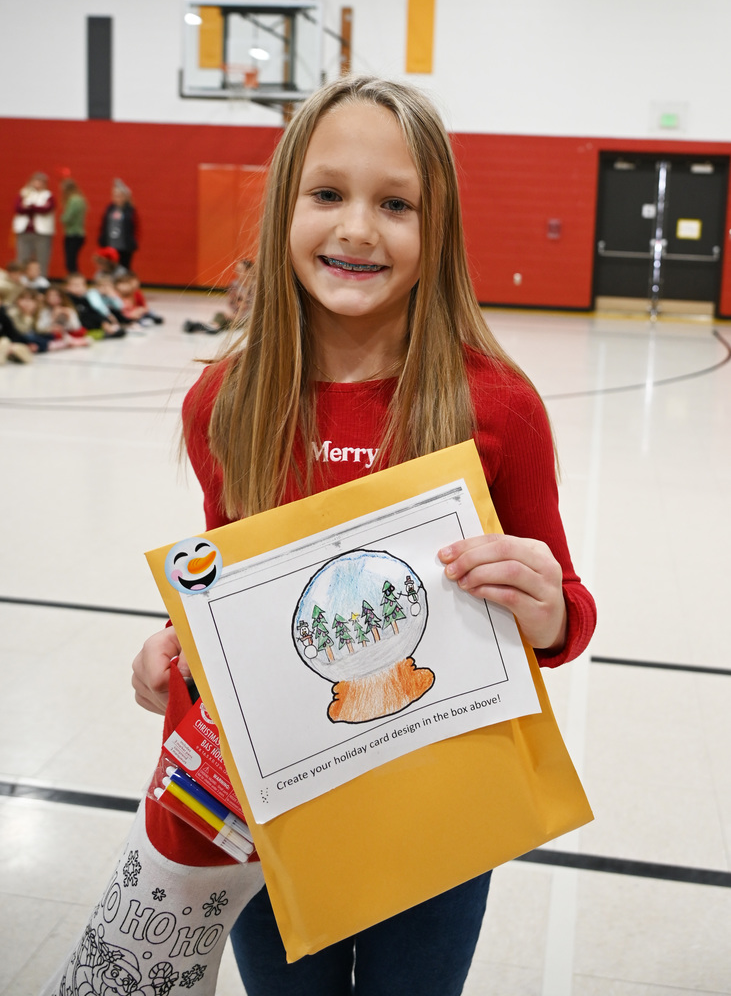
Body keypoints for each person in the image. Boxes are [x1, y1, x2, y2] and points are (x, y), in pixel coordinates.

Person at [127, 76, 596, 996]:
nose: (356, 229)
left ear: (438, 231)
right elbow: (235, 588)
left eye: (396, 204)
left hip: (441, 816)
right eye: (328, 194)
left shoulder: (495, 404)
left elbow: (568, 614)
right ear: (282, 209)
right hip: (276, 807)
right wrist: (180, 649)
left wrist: (546, 611)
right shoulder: (222, 402)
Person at [183, 258, 255, 334]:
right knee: (221, 315)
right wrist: (235, 312)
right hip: (237, 315)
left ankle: (210, 326)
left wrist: (244, 306)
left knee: (232, 322)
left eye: (240, 270)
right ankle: (212, 326)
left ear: (249, 271)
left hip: (250, 317)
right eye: (236, 270)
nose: (237, 272)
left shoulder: (255, 285)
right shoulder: (234, 284)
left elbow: (255, 305)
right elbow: (232, 303)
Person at [12, 171, 56, 276]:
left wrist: (30, 207)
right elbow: (18, 208)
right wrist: (35, 207)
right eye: (36, 180)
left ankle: (42, 280)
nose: (38, 183)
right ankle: (22, 280)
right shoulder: (23, 193)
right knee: (22, 258)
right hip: (24, 230)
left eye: (41, 181)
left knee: (42, 258)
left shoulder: (48, 195)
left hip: (42, 232)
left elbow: (46, 209)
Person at [98, 179, 139, 271]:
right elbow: (104, 226)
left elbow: (136, 228)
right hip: (111, 245)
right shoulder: (110, 209)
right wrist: (102, 239)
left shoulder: (130, 210)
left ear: (124, 197)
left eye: (119, 196)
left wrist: (133, 241)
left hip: (125, 246)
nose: (117, 198)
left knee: (124, 268)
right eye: (115, 196)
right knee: (109, 268)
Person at [59, 179, 87, 274]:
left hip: (73, 234)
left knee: (70, 261)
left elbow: (67, 218)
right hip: (78, 234)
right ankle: (74, 278)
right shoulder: (79, 199)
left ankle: (74, 278)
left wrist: (62, 217)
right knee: (72, 260)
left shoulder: (73, 200)